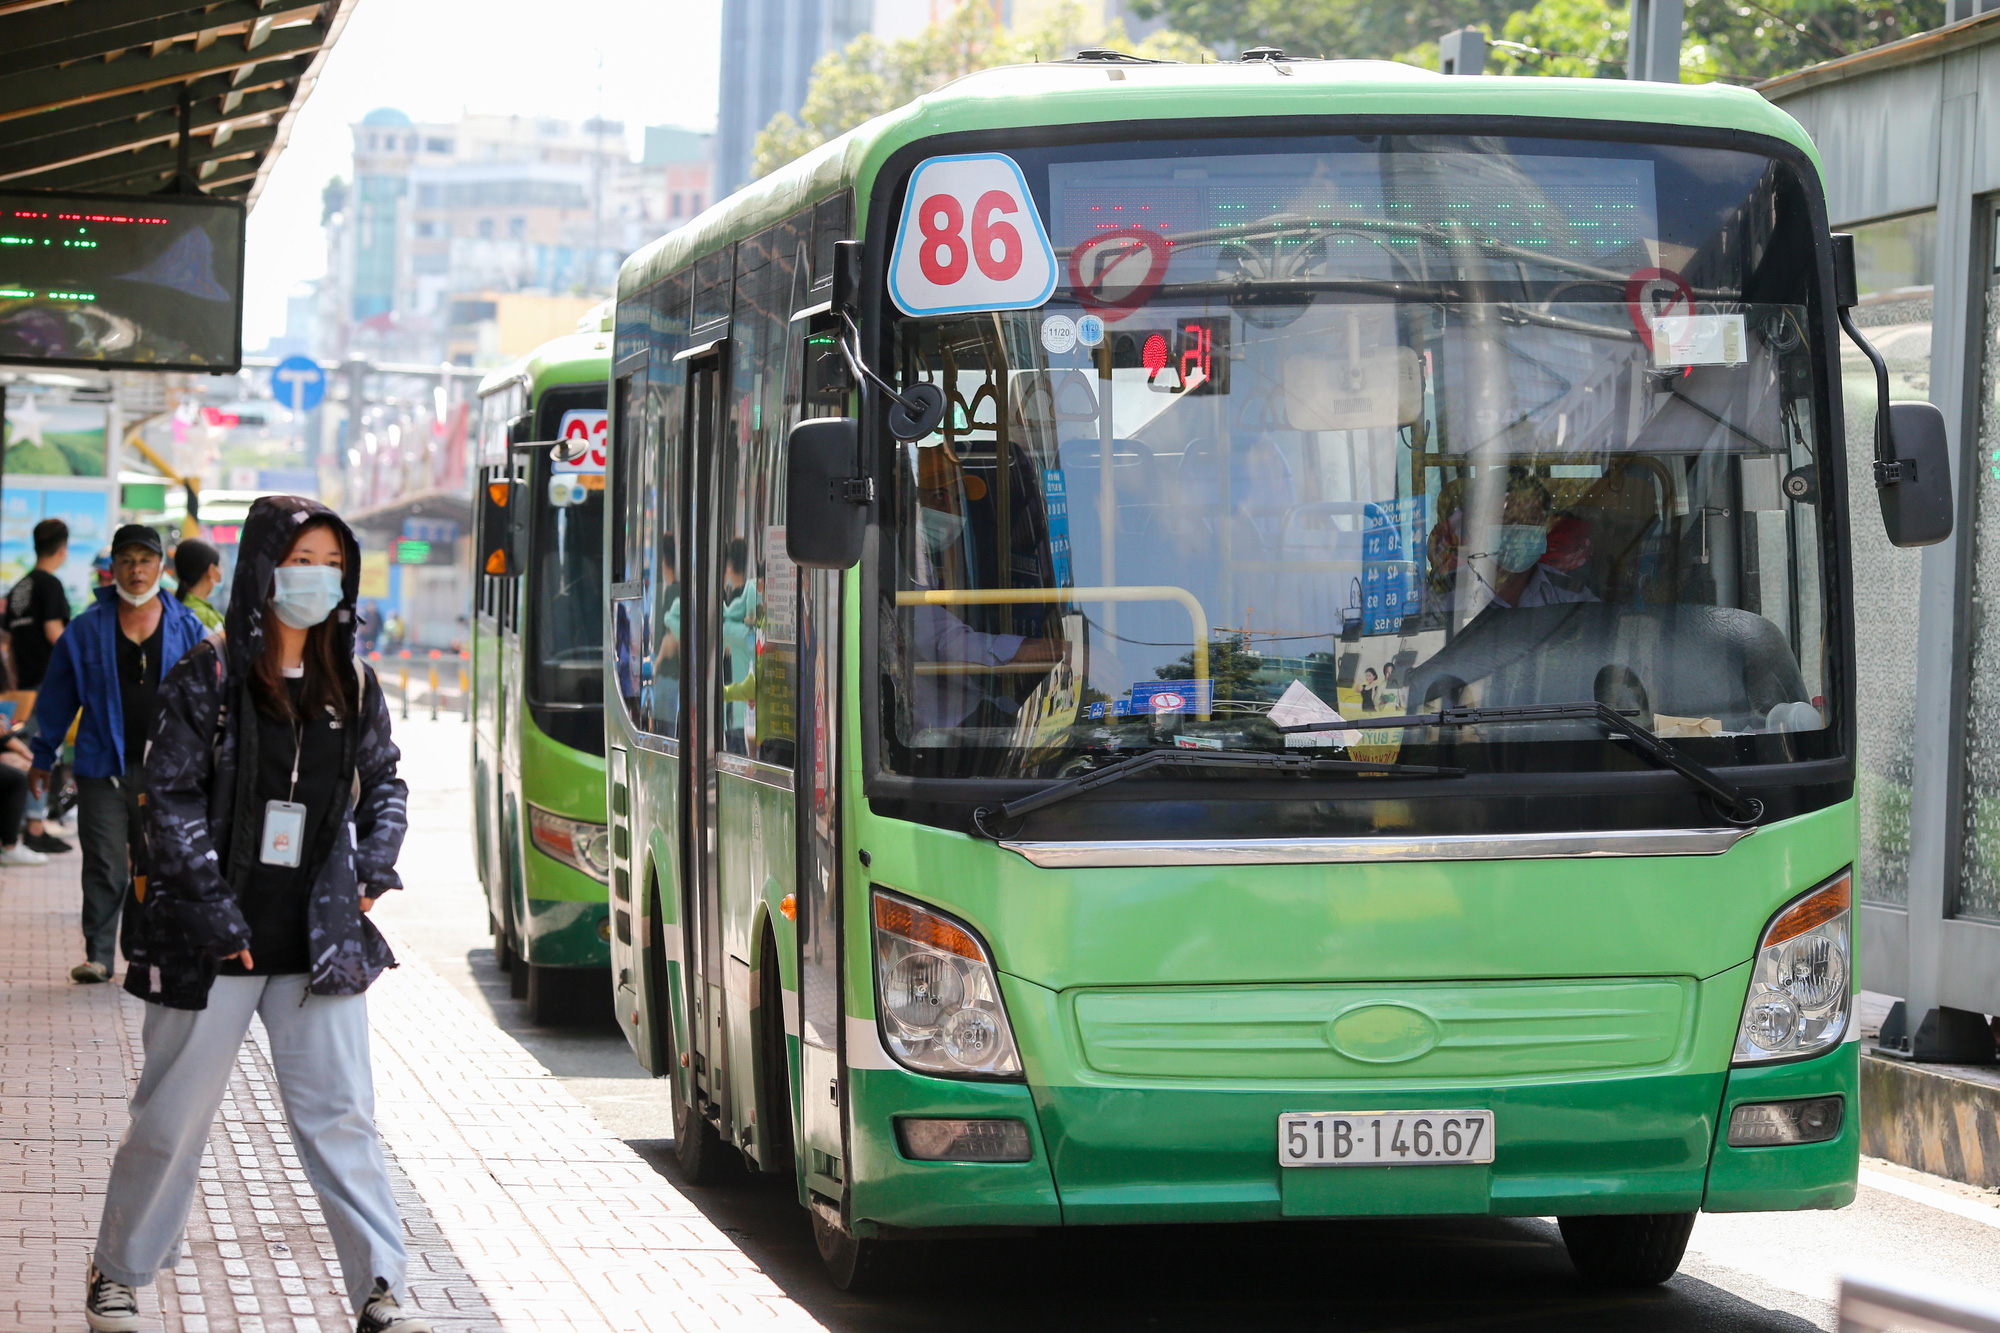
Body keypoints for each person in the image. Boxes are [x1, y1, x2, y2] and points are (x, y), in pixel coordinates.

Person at [83, 496, 430, 1333]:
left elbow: (383, 781)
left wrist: (373, 868)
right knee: (169, 1120)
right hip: (210, 945)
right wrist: (214, 911)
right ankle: (120, 1273)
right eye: (301, 559)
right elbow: (164, 800)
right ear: (264, 567)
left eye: (331, 563)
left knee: (342, 1118)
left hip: (317, 944)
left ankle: (382, 1289)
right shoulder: (206, 676)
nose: (318, 577)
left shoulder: (355, 677)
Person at [30, 525, 202, 985]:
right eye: (126, 560)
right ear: (114, 568)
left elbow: (210, 701)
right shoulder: (86, 629)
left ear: (161, 566)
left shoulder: (188, 627)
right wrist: (41, 756)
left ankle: (143, 945)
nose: (136, 570)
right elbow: (56, 698)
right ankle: (99, 955)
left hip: (168, 771)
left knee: (159, 862)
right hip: (101, 765)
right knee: (105, 861)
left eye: (145, 560)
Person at [6, 517, 74, 855]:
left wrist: (16, 680)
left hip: (25, 685)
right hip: (48, 683)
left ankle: (29, 824)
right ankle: (34, 826)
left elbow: (7, 640)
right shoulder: (50, 585)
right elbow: (54, 633)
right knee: (42, 752)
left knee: (29, 749)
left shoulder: (19, 587)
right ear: (63, 549)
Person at [171, 539, 224, 630]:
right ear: (212, 570)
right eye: (220, 566)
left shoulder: (174, 607)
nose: (222, 571)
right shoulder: (206, 617)